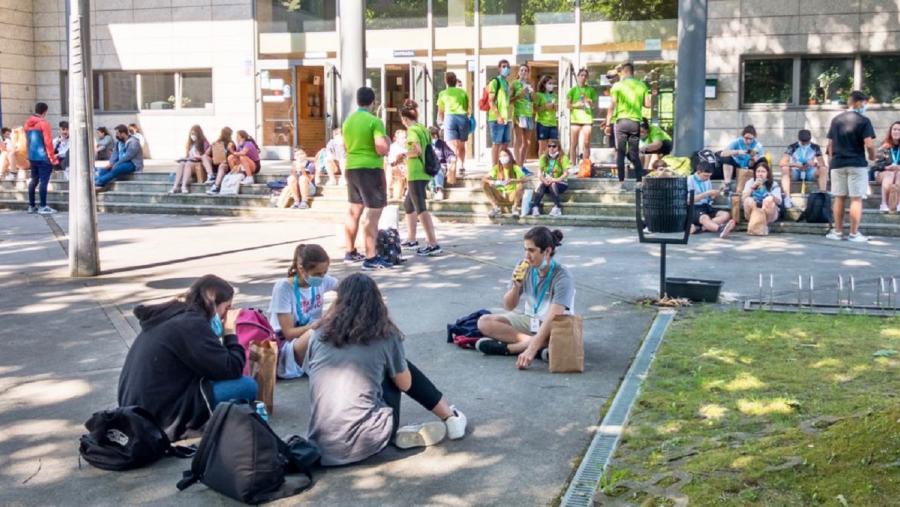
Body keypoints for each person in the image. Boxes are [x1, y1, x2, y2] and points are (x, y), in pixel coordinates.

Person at [305, 274, 466, 466]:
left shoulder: (318, 334)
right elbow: (405, 383)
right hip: (367, 441)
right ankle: (449, 416)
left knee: (383, 367)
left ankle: (441, 418)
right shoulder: (385, 336)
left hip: (322, 445)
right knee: (398, 369)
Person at [118, 275, 257, 441]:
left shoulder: (173, 316)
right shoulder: (191, 323)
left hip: (137, 407)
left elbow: (211, 364)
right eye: (226, 309)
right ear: (212, 303)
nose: (225, 315)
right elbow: (231, 368)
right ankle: (196, 423)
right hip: (160, 415)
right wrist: (230, 332)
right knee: (247, 386)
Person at [475, 227, 576, 370]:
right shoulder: (525, 267)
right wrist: (516, 287)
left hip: (555, 326)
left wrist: (530, 350)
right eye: (525, 249)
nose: (526, 256)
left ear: (547, 251)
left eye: (532, 250)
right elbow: (509, 306)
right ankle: (541, 347)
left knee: (559, 336)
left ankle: (511, 348)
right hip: (531, 321)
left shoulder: (562, 276)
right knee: (484, 322)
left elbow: (554, 317)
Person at [267, 244, 338, 379]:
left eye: (325, 273)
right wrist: (314, 325)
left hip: (312, 336)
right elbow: (288, 334)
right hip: (287, 345)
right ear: (301, 269)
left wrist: (332, 310)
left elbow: (349, 290)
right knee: (318, 332)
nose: (322, 277)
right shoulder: (283, 288)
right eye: (317, 274)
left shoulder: (323, 280)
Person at [342, 87, 392, 270]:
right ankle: (371, 257)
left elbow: (346, 147)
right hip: (370, 168)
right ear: (373, 102)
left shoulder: (348, 122)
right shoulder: (374, 121)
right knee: (373, 212)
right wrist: (387, 143)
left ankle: (350, 251)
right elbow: (381, 147)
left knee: (354, 211)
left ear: (357, 100)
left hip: (352, 167)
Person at [825, 90, 876, 242]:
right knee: (856, 199)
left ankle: (838, 232)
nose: (865, 106)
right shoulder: (864, 121)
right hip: (856, 163)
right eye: (865, 103)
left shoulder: (836, 120)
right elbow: (869, 143)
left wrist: (832, 161)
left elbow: (830, 145)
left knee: (839, 198)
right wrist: (872, 157)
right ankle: (854, 234)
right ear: (858, 102)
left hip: (838, 163)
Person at [398, 100, 442, 257]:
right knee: (408, 204)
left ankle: (433, 243)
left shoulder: (411, 131)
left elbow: (416, 150)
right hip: (424, 172)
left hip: (416, 172)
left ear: (405, 118)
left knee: (420, 208)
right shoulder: (423, 129)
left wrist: (402, 155)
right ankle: (411, 239)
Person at [606, 63, 652, 189]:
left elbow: (612, 106)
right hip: (635, 123)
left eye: (621, 72)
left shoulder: (617, 86)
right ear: (632, 72)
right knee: (634, 153)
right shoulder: (641, 85)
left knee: (620, 152)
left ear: (625, 72)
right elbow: (647, 104)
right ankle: (638, 182)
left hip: (621, 122)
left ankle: (621, 183)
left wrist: (608, 123)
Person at [24, 102, 59, 214]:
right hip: (43, 157)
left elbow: (27, 142)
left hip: (32, 156)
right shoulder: (44, 123)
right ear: (45, 111)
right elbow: (48, 142)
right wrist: (52, 158)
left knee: (34, 180)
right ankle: (43, 206)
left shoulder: (27, 123)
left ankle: (31, 206)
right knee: (43, 182)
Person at [779, 129, 828, 209]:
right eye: (803, 142)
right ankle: (787, 197)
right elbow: (782, 163)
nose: (805, 144)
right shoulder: (792, 147)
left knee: (823, 169)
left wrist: (815, 164)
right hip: (796, 171)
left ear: (810, 139)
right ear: (799, 139)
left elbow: (822, 164)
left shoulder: (815, 147)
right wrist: (795, 164)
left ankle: (823, 196)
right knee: (785, 168)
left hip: (810, 172)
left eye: (807, 142)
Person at [688, 162, 736, 237]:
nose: (707, 178)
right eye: (705, 176)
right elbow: (689, 201)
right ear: (698, 172)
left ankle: (701, 228)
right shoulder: (689, 180)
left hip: (706, 206)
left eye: (709, 176)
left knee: (726, 215)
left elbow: (709, 198)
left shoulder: (707, 180)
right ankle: (720, 229)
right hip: (694, 207)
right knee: (704, 218)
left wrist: (715, 194)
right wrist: (707, 193)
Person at [436, 71, 469, 177]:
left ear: (446, 81)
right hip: (462, 117)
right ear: (455, 81)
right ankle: (462, 166)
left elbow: (441, 111)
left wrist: (441, 123)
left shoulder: (443, 94)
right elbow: (466, 107)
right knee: (462, 144)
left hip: (450, 117)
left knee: (451, 145)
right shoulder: (463, 92)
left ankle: (452, 168)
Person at [95, 124, 143, 190]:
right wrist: (111, 163)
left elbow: (128, 156)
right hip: (121, 162)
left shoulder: (133, 142)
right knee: (104, 169)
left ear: (123, 133)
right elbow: (115, 154)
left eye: (117, 133)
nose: (116, 135)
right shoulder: (119, 142)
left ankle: (99, 182)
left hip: (132, 163)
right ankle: (95, 180)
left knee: (116, 169)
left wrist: (116, 164)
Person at [482, 147, 526, 218]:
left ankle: (514, 208)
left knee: (521, 185)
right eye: (501, 156)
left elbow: (524, 179)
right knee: (484, 184)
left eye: (505, 156)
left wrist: (513, 180)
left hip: (512, 195)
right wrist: (490, 182)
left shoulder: (515, 167)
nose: (503, 158)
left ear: (510, 156)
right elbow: (484, 178)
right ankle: (495, 207)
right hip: (500, 194)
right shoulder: (496, 168)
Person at [567, 68, 597, 171]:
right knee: (574, 143)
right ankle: (573, 166)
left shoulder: (591, 90)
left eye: (585, 75)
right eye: (581, 75)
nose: (583, 77)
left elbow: (593, 106)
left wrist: (588, 100)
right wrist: (577, 105)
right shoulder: (572, 90)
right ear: (578, 76)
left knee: (586, 143)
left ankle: (585, 167)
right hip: (575, 119)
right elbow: (568, 105)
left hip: (587, 119)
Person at [741, 160, 783, 230]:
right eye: (758, 171)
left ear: (767, 173)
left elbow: (779, 201)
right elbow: (743, 199)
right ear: (755, 173)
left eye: (763, 171)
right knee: (748, 200)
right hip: (753, 212)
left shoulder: (773, 184)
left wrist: (768, 193)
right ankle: (758, 225)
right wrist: (753, 187)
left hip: (769, 214)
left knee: (769, 200)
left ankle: (761, 225)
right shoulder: (750, 182)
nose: (760, 174)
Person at [531, 140, 570, 217]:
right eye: (549, 146)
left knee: (553, 184)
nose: (551, 148)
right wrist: (544, 180)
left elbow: (566, 173)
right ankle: (535, 207)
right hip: (547, 181)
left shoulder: (563, 157)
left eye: (554, 146)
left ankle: (557, 207)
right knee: (542, 185)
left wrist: (556, 179)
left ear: (558, 148)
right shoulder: (544, 157)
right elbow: (539, 173)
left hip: (560, 182)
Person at [721, 125, 764, 193]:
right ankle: (727, 184)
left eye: (751, 139)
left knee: (762, 161)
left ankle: (760, 182)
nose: (748, 141)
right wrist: (737, 152)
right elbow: (723, 153)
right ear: (742, 136)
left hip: (750, 167)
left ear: (754, 138)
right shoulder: (737, 141)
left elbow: (761, 159)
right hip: (736, 167)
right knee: (726, 158)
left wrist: (754, 158)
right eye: (746, 138)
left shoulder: (757, 145)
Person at [170, 125, 211, 194]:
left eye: (194, 134)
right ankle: (175, 186)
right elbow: (188, 155)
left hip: (198, 163)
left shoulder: (204, 142)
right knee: (182, 164)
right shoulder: (190, 144)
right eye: (191, 134)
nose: (193, 136)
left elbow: (206, 155)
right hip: (190, 161)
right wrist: (184, 158)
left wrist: (198, 156)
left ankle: (184, 186)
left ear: (199, 134)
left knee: (188, 164)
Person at [488, 59, 513, 166]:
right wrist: (498, 116)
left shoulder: (506, 83)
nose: (506, 68)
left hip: (506, 118)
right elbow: (491, 101)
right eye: (503, 66)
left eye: (507, 66)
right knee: (496, 143)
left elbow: (507, 100)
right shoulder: (495, 82)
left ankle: (500, 165)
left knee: (505, 143)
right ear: (499, 68)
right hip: (496, 118)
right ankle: (494, 168)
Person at [873, 121, 900, 213]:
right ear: (891, 131)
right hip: (884, 174)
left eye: (899, 130)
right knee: (890, 174)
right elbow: (876, 165)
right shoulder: (884, 146)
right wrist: (887, 168)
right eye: (894, 129)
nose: (896, 131)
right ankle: (884, 204)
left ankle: (898, 203)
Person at [511, 65, 535, 166]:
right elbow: (510, 99)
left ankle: (521, 165)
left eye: (526, 70)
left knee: (527, 142)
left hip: (529, 114)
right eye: (522, 70)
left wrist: (533, 93)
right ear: (518, 72)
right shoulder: (514, 83)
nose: (524, 72)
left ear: (528, 72)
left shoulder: (531, 83)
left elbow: (533, 100)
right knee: (519, 140)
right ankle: (517, 164)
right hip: (519, 114)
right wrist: (519, 95)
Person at [533, 75, 559, 159]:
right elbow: (535, 109)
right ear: (544, 84)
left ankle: (552, 165)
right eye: (549, 83)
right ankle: (542, 166)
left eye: (553, 83)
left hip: (553, 123)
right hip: (542, 123)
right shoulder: (539, 95)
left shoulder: (555, 96)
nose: (551, 85)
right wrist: (545, 107)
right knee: (542, 146)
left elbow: (557, 108)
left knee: (553, 145)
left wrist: (555, 107)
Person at [205, 127, 238, 194]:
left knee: (222, 166)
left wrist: (230, 149)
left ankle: (216, 187)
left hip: (225, 165)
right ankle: (211, 175)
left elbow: (233, 156)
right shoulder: (217, 142)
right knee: (205, 157)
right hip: (215, 164)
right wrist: (211, 146)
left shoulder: (231, 143)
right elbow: (206, 154)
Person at [428, 125, 455, 201]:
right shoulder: (426, 145)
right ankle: (432, 190)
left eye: (432, 136)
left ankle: (439, 190)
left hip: (440, 166)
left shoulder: (442, 144)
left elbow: (450, 154)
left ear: (436, 135)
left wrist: (452, 158)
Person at [387, 129, 408, 201]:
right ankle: (388, 190)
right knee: (389, 169)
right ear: (397, 139)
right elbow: (391, 162)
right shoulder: (393, 147)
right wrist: (398, 161)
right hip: (395, 168)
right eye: (403, 138)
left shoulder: (408, 147)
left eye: (405, 137)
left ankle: (407, 192)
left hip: (406, 169)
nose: (405, 139)